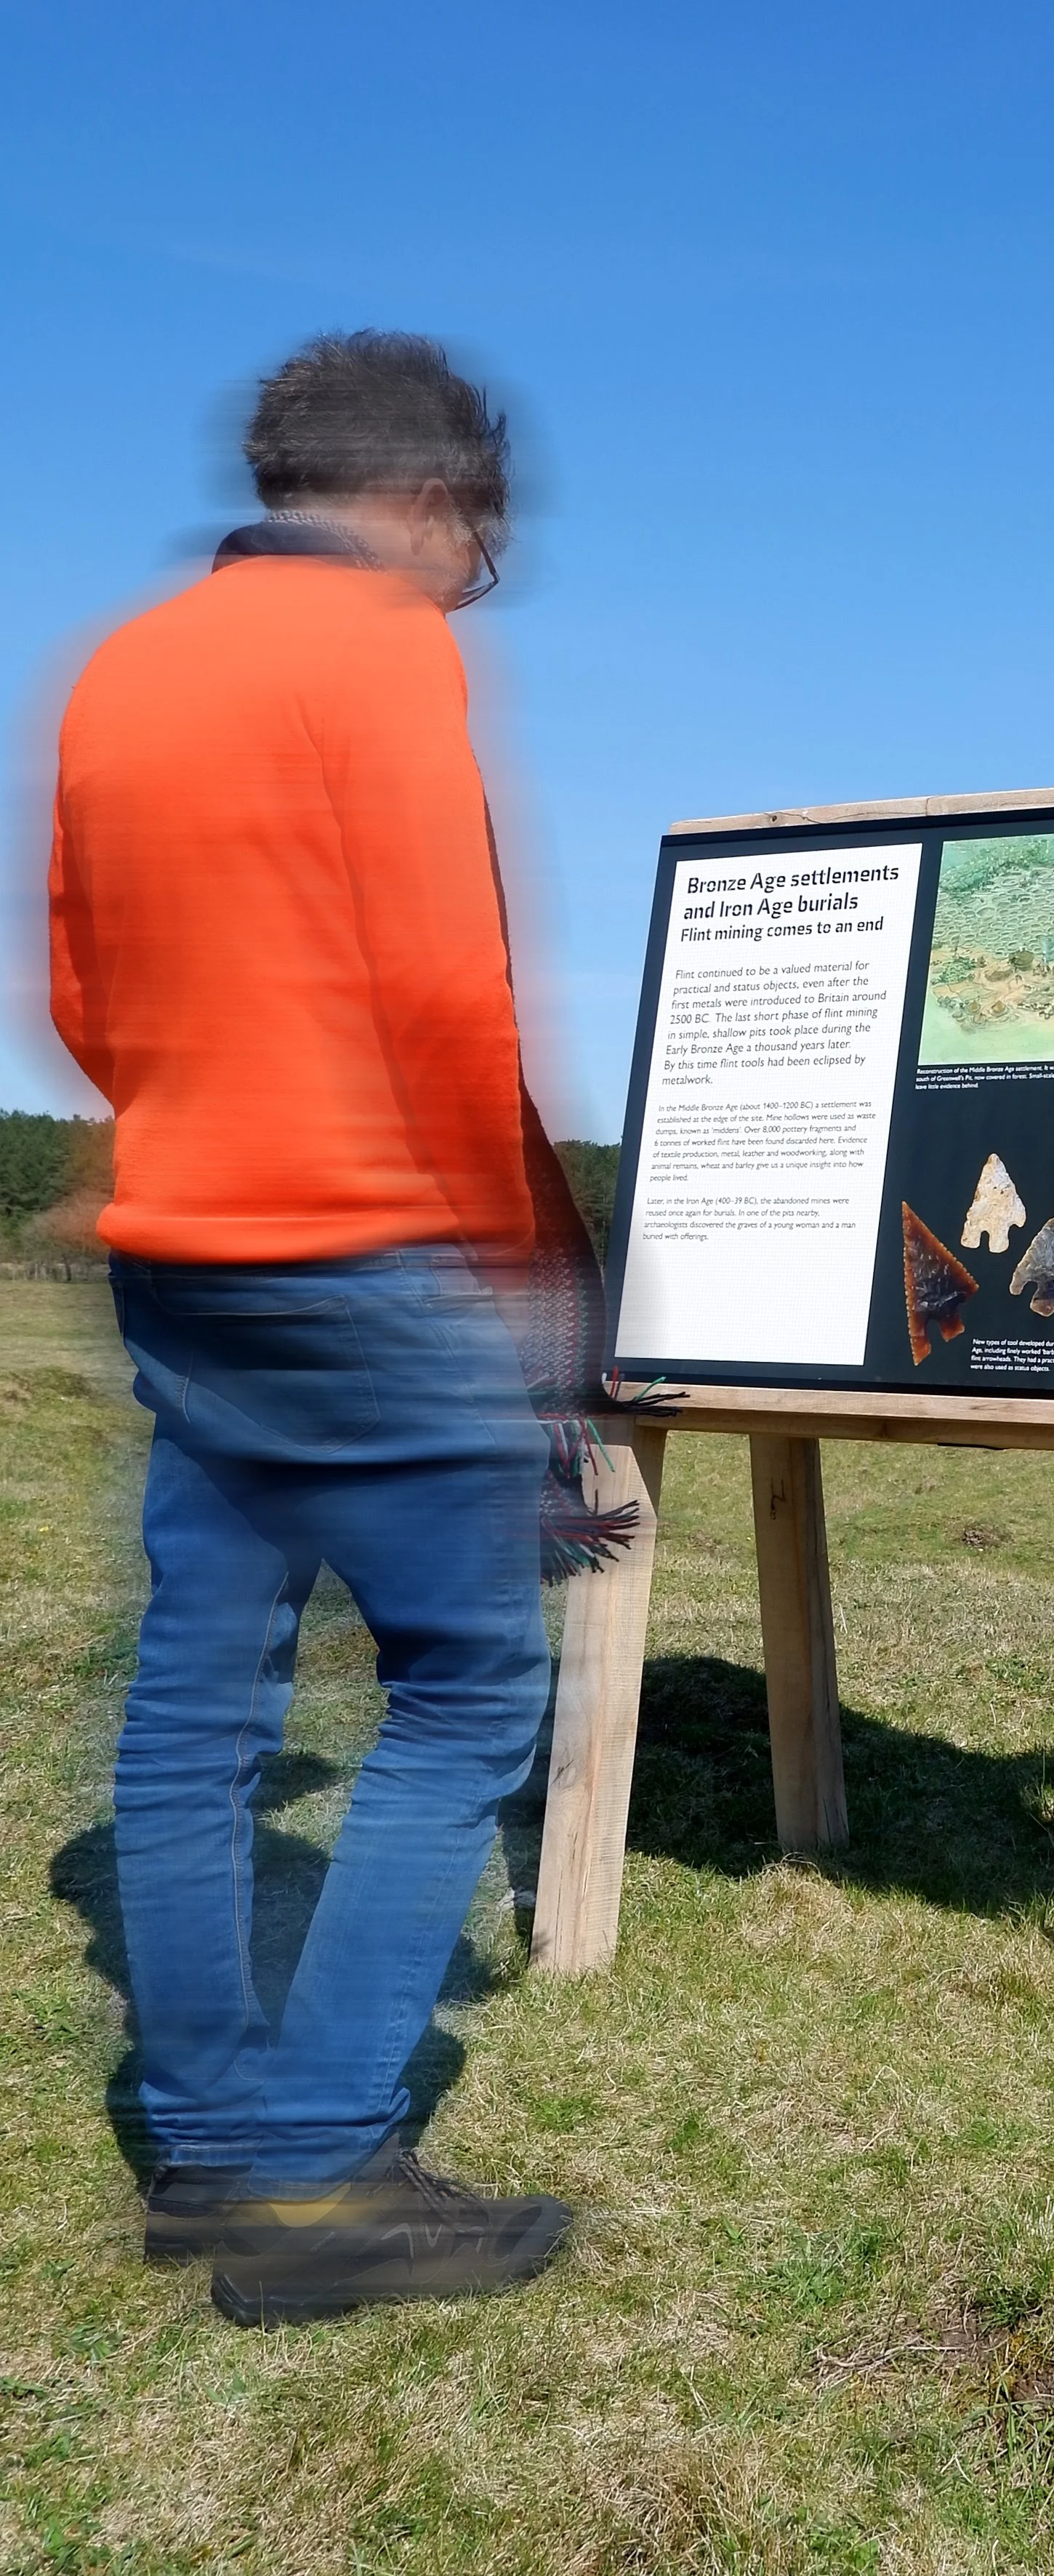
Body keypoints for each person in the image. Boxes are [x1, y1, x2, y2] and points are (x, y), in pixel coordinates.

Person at [49, 331, 584, 2326]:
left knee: (199, 1709)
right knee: (460, 1693)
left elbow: (91, 994)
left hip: (180, 1245)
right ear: (441, 501)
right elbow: (451, 1001)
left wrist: (206, 1124)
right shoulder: (379, 650)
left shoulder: (125, 663)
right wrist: (530, 1264)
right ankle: (320, 2175)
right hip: (365, 1250)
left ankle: (203, 2137)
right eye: (483, 546)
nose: (477, 583)